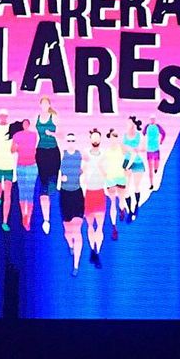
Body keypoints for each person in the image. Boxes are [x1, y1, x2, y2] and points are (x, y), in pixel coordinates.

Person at [59, 132, 86, 276]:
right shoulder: (62, 155)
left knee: (77, 231)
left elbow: (85, 169)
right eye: (68, 140)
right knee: (68, 232)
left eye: (72, 140)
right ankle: (70, 245)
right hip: (64, 195)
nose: (70, 142)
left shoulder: (79, 155)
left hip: (77, 194)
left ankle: (76, 265)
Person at [82, 130, 109, 269]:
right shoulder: (85, 154)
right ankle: (93, 249)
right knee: (90, 225)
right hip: (89, 192)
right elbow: (81, 171)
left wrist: (100, 168)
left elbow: (106, 174)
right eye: (93, 136)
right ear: (90, 138)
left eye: (98, 136)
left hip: (99, 191)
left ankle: (96, 251)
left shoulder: (104, 155)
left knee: (99, 225)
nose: (95, 138)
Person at [35, 96, 61, 234]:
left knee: (52, 186)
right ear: (40, 105)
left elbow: (62, 134)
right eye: (42, 103)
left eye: (46, 103)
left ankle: (56, 217)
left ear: (49, 105)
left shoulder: (54, 117)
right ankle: (46, 220)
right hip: (41, 152)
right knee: (43, 188)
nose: (44, 105)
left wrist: (52, 133)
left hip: (53, 152)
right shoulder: (37, 117)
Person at [0, 109, 17, 231]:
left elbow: (15, 145)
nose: (3, 118)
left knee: (8, 194)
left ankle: (5, 221)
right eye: (1, 116)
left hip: (8, 164)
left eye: (5, 116)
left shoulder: (12, 129)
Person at [12, 119, 40, 231]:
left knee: (29, 192)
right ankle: (25, 214)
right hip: (21, 166)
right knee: (23, 191)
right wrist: (17, 147)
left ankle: (28, 217)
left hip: (32, 165)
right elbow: (12, 150)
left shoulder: (34, 135)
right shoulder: (17, 135)